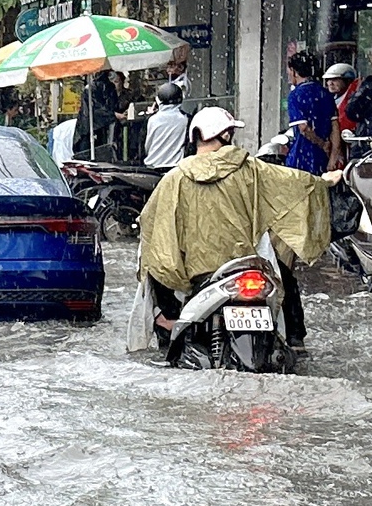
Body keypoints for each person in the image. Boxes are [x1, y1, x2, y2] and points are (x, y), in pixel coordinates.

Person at [138, 106, 330, 353]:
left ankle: (169, 328)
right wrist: (326, 181)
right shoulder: (250, 169)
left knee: (155, 272)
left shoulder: (175, 178)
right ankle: (295, 340)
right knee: (285, 281)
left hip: (199, 274)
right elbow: (296, 185)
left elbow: (152, 227)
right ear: (226, 135)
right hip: (246, 263)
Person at [284, 50, 338, 177]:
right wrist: (332, 157)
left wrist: (322, 144)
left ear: (294, 71)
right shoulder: (325, 93)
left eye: (289, 70)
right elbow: (335, 128)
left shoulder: (295, 96)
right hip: (322, 160)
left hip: (301, 158)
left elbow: (303, 128)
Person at [143, 81, 191, 171]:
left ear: (158, 101)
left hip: (152, 167)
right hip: (176, 168)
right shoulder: (186, 119)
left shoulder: (151, 120)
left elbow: (145, 147)